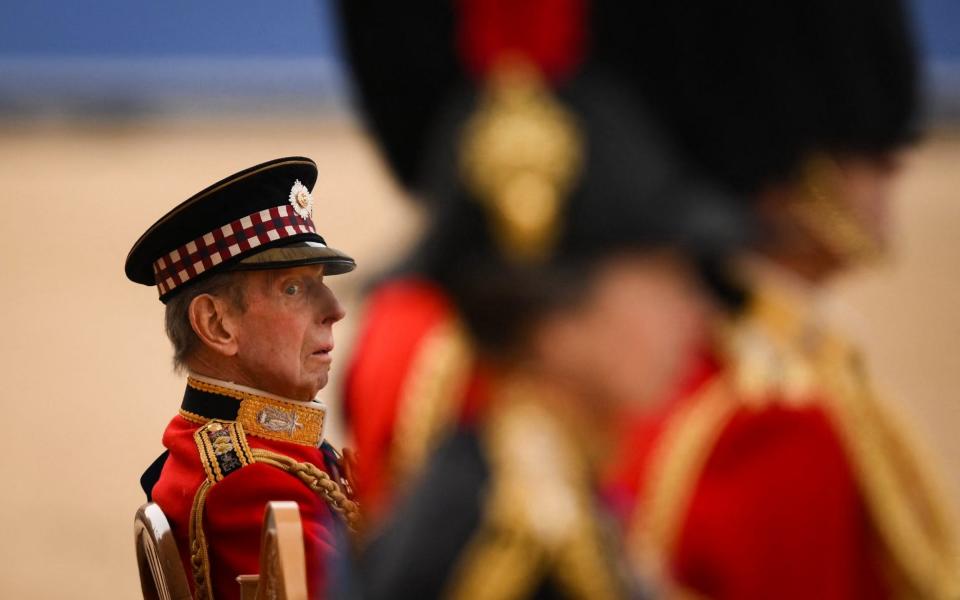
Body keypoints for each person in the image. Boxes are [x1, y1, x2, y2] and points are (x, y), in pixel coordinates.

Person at [336, 1, 752, 596]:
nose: (700, 311)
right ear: (551, 313)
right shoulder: (518, 543)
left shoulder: (525, 497)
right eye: (668, 277)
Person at [593, 1, 960, 598]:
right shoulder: (764, 430)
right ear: (783, 171)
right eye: (866, 147)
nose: (895, 164)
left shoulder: (693, 378)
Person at [127, 157, 360, 600]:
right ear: (216, 324)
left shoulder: (252, 453)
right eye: (293, 288)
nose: (334, 309)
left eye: (320, 283)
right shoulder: (249, 481)